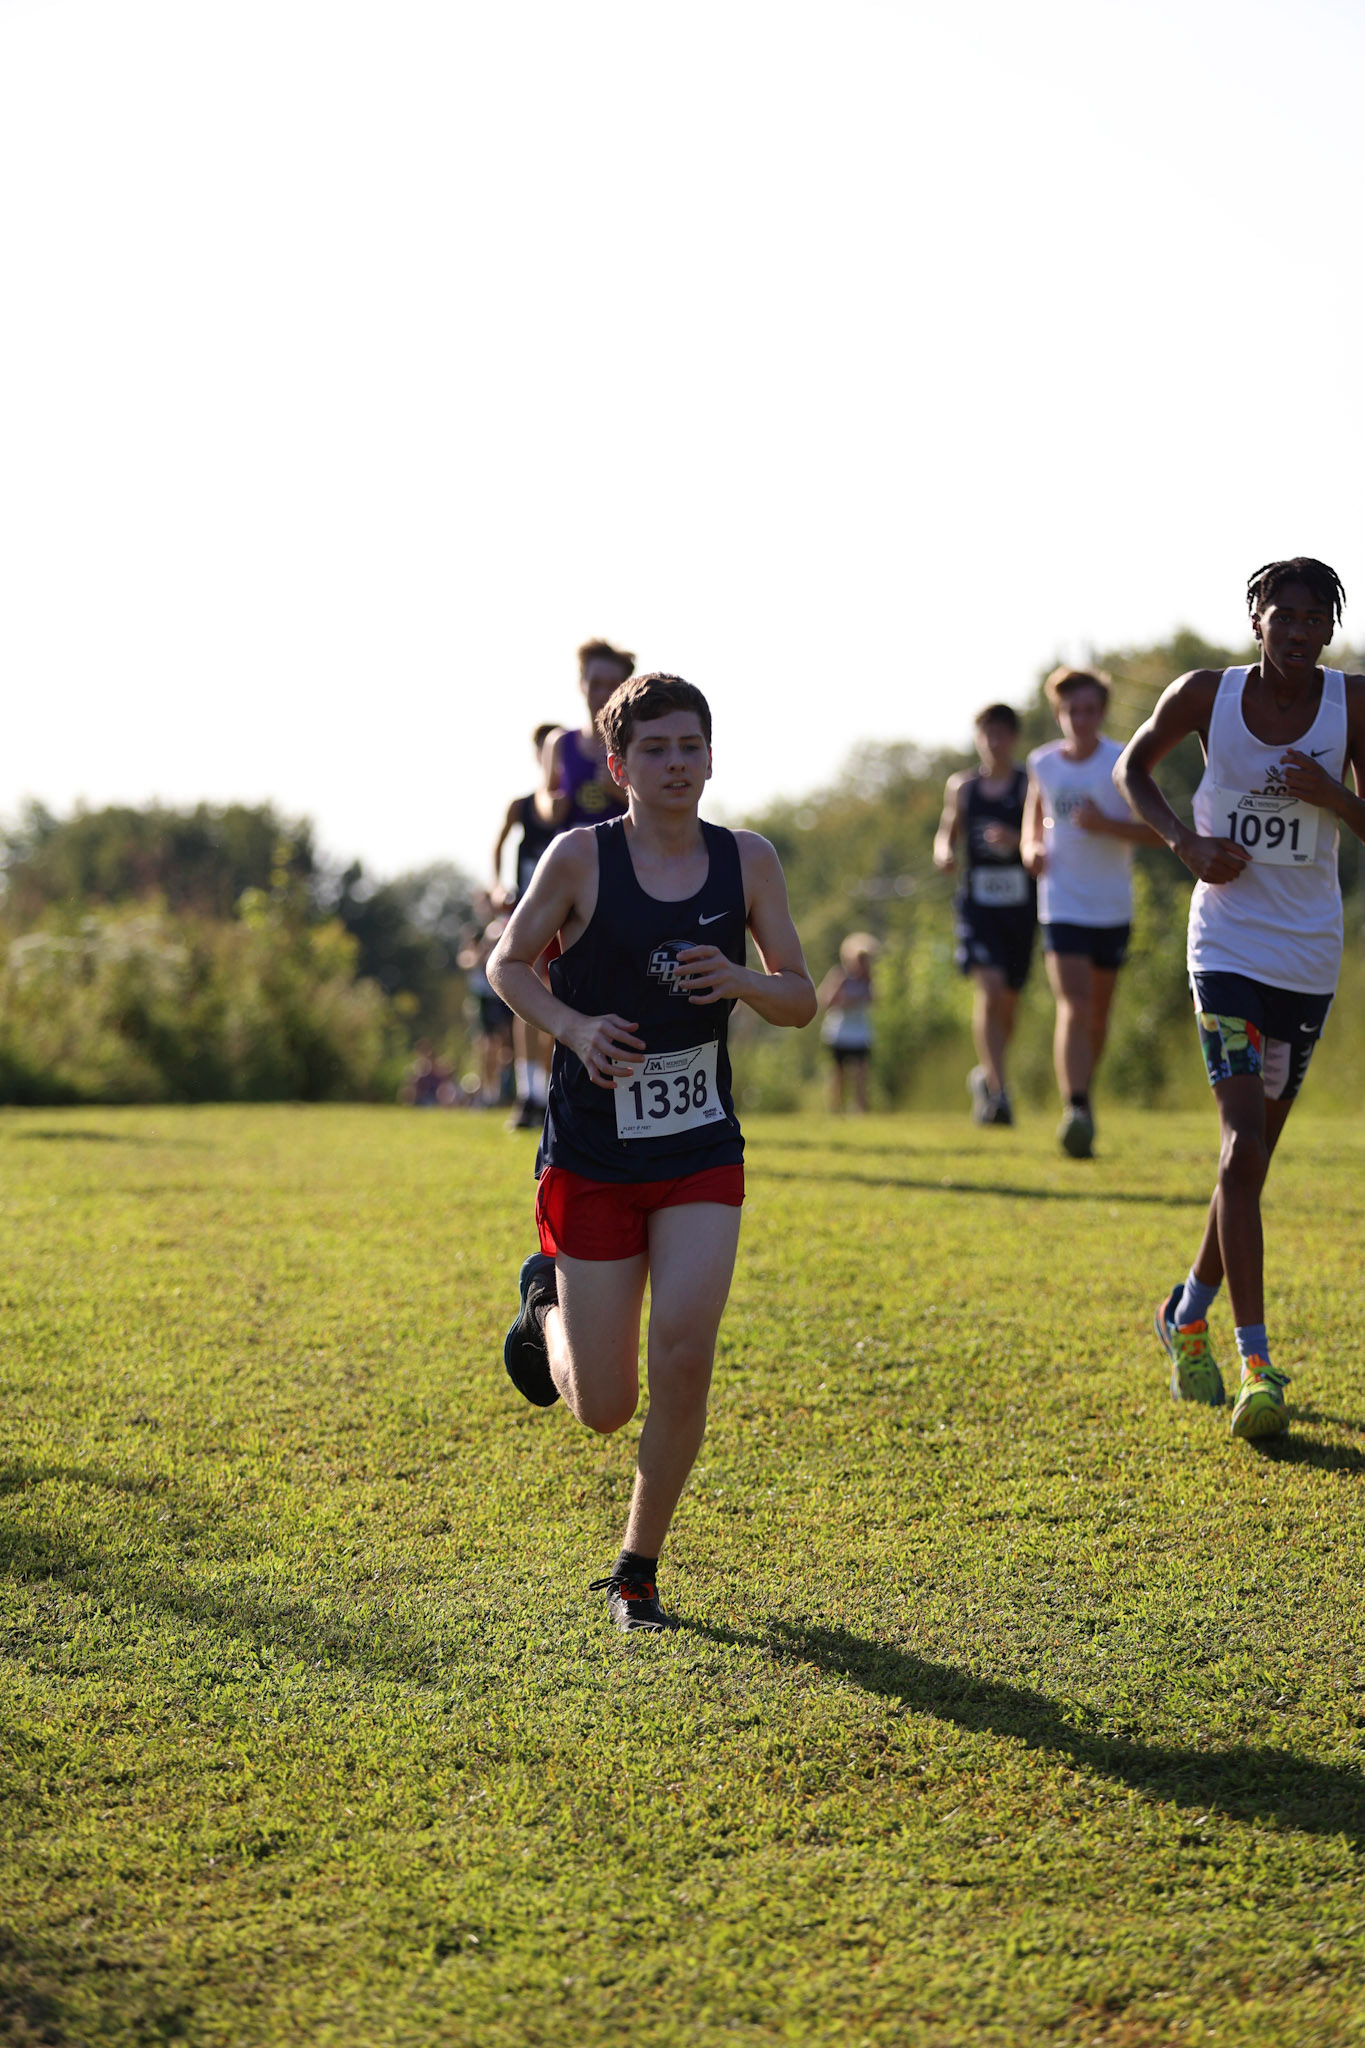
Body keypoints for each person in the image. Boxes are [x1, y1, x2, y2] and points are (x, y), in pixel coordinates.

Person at [488, 672, 816, 1631]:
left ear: (711, 757)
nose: (677, 765)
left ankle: (638, 1567)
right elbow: (508, 964)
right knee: (600, 1405)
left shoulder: (746, 861)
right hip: (592, 1150)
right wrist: (577, 1028)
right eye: (656, 750)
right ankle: (543, 1302)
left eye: (691, 747)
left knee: (684, 1350)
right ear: (621, 765)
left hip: (700, 1145)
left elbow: (801, 999)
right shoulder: (579, 860)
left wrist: (744, 981)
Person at [1114, 557, 1365, 1442]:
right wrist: (1182, 842)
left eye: (1312, 619)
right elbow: (1130, 772)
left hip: (1306, 952)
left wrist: (1331, 794)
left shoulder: (1351, 705)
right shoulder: (1204, 695)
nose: (1296, 632)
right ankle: (1254, 1360)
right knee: (1240, 1144)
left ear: (1327, 630)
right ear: (1254, 617)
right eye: (1280, 614)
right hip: (1224, 943)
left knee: (1251, 1165)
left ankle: (1184, 1313)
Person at [1022, 668, 1161, 1157]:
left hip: (1111, 905)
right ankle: (1075, 1107)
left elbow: (1158, 832)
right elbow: (1033, 820)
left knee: (1098, 1015)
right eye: (1069, 711)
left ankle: (1084, 1095)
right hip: (1060, 902)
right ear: (1059, 714)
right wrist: (1030, 850)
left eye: (1088, 710)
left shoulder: (1122, 761)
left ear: (1102, 713)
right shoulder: (1042, 763)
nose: (1079, 720)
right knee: (1075, 1006)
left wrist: (1105, 825)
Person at [934, 703, 1036, 1125]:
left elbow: (1042, 835)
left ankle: (988, 1074)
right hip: (978, 906)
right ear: (979, 738)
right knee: (990, 990)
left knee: (1008, 1000)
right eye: (986, 734)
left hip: (1020, 906)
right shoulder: (962, 787)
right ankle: (999, 1092)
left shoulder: (1030, 785)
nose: (993, 743)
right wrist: (944, 854)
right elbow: (946, 833)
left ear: (1012, 738)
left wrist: (1017, 840)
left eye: (1001, 734)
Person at [492, 724, 563, 1129]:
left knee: (562, 994)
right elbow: (499, 843)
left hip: (568, 909)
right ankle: (529, 1092)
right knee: (525, 992)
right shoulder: (522, 806)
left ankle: (554, 1088)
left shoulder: (574, 805)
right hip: (529, 907)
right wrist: (498, 882)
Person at [542, 640, 635, 831]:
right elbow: (544, 795)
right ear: (582, 684)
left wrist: (619, 791)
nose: (603, 694)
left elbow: (658, 808)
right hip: (572, 857)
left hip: (624, 856)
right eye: (596, 684)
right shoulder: (559, 742)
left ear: (626, 689)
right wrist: (550, 806)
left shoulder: (637, 744)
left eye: (612, 685)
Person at [817, 934, 878, 1112]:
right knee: (838, 1074)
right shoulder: (840, 976)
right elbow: (825, 1000)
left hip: (860, 1033)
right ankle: (836, 1108)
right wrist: (846, 1000)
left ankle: (860, 1108)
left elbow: (874, 1000)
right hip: (839, 1032)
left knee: (861, 1073)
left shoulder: (868, 980)